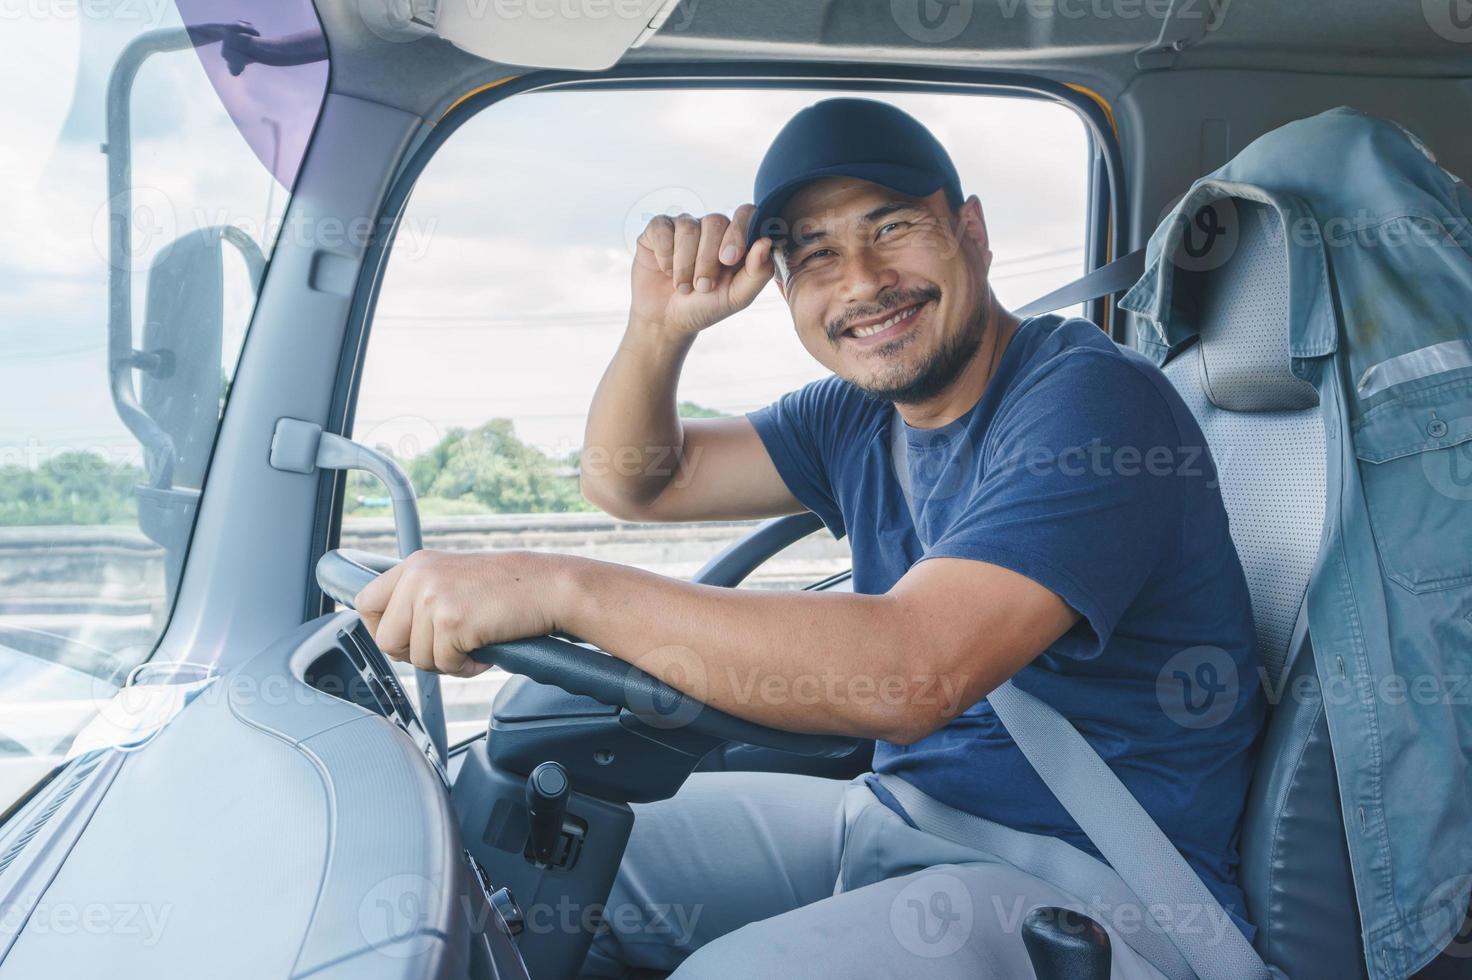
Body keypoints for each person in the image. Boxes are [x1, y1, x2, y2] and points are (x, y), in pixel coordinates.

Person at [356, 98, 1264, 978]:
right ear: (784, 287)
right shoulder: (857, 417)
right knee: (504, 870)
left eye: (894, 226)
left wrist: (561, 587)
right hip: (902, 815)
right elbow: (636, 477)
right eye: (816, 254)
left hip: (1092, 889)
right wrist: (660, 328)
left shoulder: (1090, 402)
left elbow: (912, 673)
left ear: (974, 233)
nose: (863, 282)